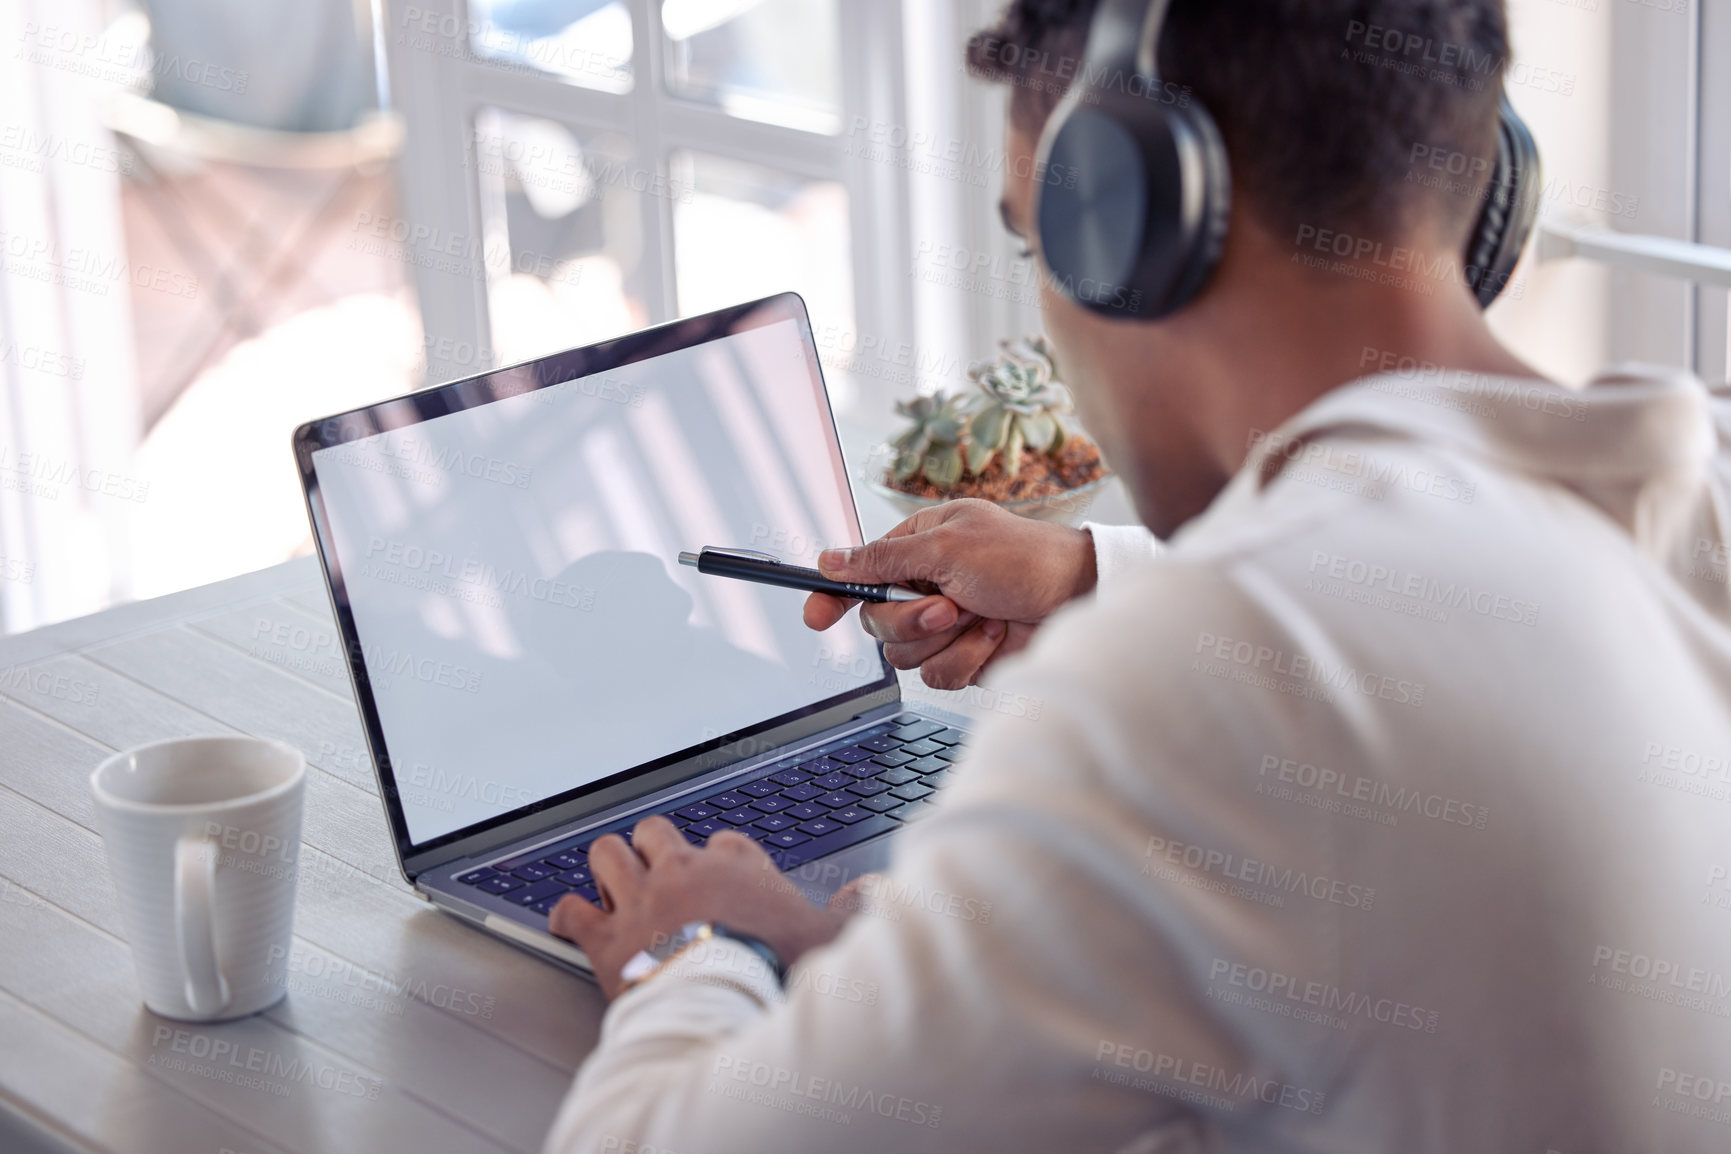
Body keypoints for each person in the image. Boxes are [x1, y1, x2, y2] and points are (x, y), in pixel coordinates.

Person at [542, 1, 1731, 1150]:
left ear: (1136, 223)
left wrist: (692, 951)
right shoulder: (1687, 484)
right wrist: (1088, 575)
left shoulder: (1200, 700)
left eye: (1037, 238)